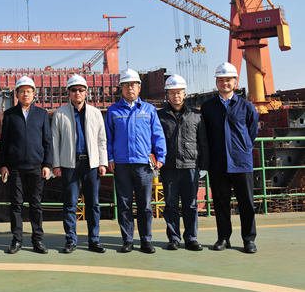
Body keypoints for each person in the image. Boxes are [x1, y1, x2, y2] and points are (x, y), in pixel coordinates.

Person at [105, 69, 166, 254]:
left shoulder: (149, 110)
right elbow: (108, 137)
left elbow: (158, 135)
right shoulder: (113, 110)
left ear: (139, 87)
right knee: (124, 204)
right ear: (121, 88)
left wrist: (160, 156)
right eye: (126, 85)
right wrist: (110, 157)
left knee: (144, 205)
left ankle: (146, 240)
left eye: (133, 85)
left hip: (143, 164)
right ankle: (128, 240)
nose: (129, 88)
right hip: (122, 164)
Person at [201, 62, 258, 254]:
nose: (224, 83)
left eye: (228, 80)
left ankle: (249, 240)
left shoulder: (247, 107)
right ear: (216, 82)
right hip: (218, 163)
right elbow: (204, 134)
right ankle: (223, 238)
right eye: (221, 80)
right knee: (221, 203)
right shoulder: (208, 107)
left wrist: (241, 149)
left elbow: (252, 132)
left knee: (246, 203)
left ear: (235, 82)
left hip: (241, 163)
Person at [51, 74, 108, 254]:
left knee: (93, 204)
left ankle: (94, 240)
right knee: (70, 204)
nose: (78, 93)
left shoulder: (95, 113)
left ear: (86, 92)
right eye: (74, 90)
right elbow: (55, 141)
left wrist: (102, 162)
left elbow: (101, 140)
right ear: (69, 92)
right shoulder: (60, 113)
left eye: (81, 90)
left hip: (91, 164)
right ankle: (71, 240)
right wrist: (56, 164)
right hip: (70, 164)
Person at [0, 76, 53, 255]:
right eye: (22, 91)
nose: (25, 94)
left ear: (34, 93)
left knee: (36, 204)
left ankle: (38, 240)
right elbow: (4, 142)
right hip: (15, 167)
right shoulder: (9, 115)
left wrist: (47, 164)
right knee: (16, 204)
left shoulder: (42, 114)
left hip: (36, 166)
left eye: (28, 91)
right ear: (17, 94)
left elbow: (47, 141)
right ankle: (17, 240)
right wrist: (3, 165)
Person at [158, 74, 208, 251]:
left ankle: (191, 238)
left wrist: (204, 166)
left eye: (179, 92)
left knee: (191, 205)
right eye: (172, 93)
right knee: (171, 205)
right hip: (169, 168)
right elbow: (155, 141)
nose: (176, 96)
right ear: (167, 94)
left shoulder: (196, 115)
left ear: (184, 93)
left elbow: (203, 142)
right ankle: (173, 238)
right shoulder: (160, 116)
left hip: (190, 167)